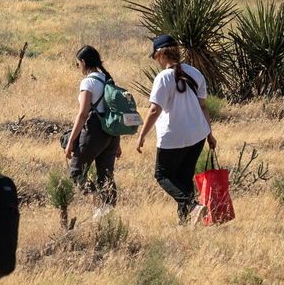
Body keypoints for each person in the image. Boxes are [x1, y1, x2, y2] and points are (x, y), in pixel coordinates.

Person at [136, 35, 216, 224]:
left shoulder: (163, 77)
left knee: (162, 175)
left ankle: (192, 206)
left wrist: (142, 135)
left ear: (160, 55)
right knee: (183, 178)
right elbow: (203, 106)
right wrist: (210, 134)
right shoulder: (195, 73)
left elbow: (155, 109)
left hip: (173, 136)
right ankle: (185, 223)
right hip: (198, 134)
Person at [64, 45, 122, 217]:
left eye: (77, 64)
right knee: (106, 176)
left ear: (83, 62)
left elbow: (83, 114)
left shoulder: (88, 82)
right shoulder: (107, 79)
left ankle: (100, 209)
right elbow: (113, 112)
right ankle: (109, 214)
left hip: (94, 132)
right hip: (112, 134)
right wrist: (117, 143)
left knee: (76, 172)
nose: (78, 68)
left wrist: (71, 141)